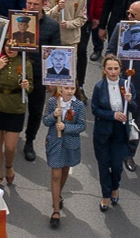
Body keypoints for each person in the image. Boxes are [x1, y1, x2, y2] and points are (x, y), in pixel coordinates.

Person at [88, 54, 134, 210]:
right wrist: (112, 115)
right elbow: (95, 109)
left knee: (116, 165)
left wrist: (130, 101)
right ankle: (106, 195)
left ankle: (115, 187)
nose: (113, 72)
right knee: (103, 165)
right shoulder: (99, 87)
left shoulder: (127, 85)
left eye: (116, 68)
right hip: (103, 132)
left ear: (120, 69)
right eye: (110, 69)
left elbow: (135, 109)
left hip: (120, 132)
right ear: (104, 70)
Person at [41, 81, 85, 227]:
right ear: (61, 88)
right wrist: (54, 115)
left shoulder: (78, 105)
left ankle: (58, 195)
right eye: (67, 88)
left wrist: (66, 127)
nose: (70, 91)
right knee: (55, 174)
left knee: (64, 170)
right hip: (54, 142)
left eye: (72, 88)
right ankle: (55, 211)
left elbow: (82, 126)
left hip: (70, 145)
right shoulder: (53, 101)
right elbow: (46, 121)